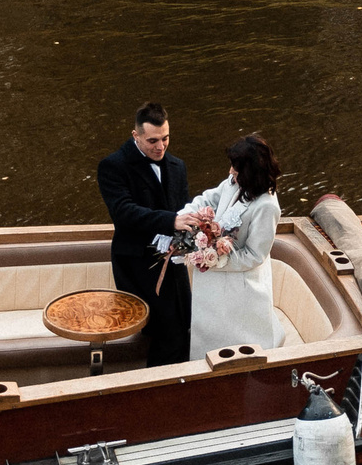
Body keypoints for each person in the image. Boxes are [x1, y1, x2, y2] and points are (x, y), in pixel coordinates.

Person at [96, 102, 193, 366]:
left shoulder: (177, 166)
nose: (160, 146)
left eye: (165, 138)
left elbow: (185, 208)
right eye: (152, 140)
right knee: (167, 331)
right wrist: (171, 220)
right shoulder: (113, 166)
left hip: (174, 265)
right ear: (135, 135)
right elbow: (124, 212)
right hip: (136, 264)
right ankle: (158, 391)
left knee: (187, 324)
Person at [174, 135, 286, 358]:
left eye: (235, 167)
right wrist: (186, 216)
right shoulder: (234, 182)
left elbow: (255, 255)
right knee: (207, 331)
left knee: (237, 338)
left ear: (250, 171)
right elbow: (208, 199)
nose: (230, 171)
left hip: (241, 287)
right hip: (213, 282)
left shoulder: (267, 207)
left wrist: (213, 259)